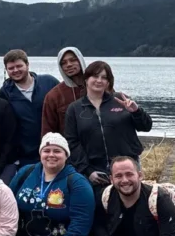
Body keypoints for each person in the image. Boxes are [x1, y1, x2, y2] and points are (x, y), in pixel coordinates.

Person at [65, 60, 152, 193]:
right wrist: (88, 171)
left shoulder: (121, 101)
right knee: (101, 209)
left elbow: (146, 126)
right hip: (96, 173)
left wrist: (136, 111)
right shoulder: (75, 109)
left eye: (104, 77)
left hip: (127, 168)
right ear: (86, 79)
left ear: (109, 82)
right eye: (95, 76)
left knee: (130, 207)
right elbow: (72, 143)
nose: (99, 80)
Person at [0, 48, 60, 183]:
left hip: (53, 149)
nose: (15, 70)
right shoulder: (5, 93)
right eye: (11, 68)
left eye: (19, 66)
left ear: (27, 65)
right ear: (6, 70)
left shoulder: (49, 82)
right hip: (26, 155)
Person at [41, 46, 87, 136]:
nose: (68, 64)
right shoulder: (54, 96)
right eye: (63, 63)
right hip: (69, 148)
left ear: (81, 60)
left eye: (73, 60)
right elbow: (48, 133)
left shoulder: (98, 87)